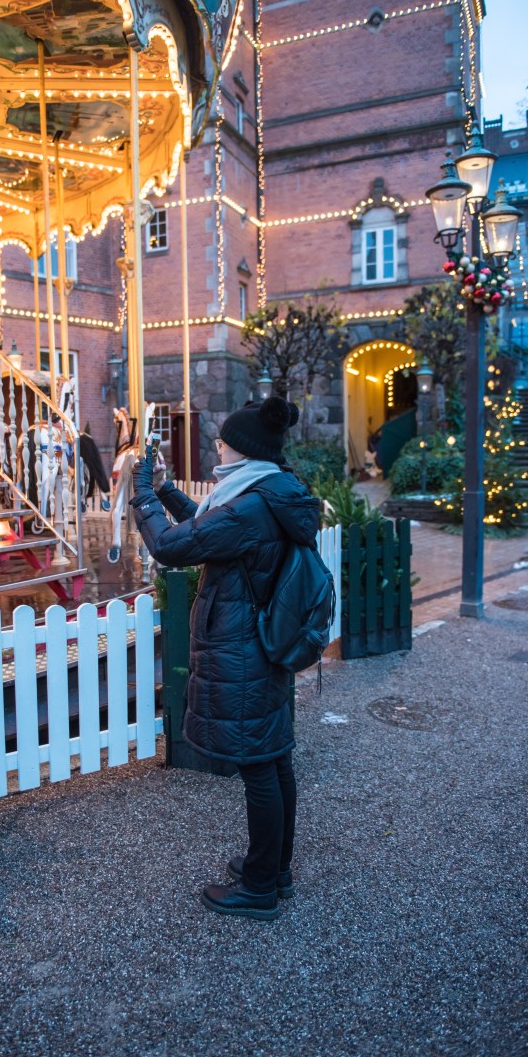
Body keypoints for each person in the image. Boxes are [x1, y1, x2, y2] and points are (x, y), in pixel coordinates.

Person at [131, 395, 320, 921]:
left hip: (243, 649)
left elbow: (171, 547)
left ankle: (260, 888)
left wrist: (141, 495)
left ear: (244, 450)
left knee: (259, 765)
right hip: (261, 644)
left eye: (223, 442)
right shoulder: (267, 493)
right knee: (273, 757)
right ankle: (273, 868)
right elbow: (210, 532)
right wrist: (167, 490)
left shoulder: (251, 504)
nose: (217, 447)